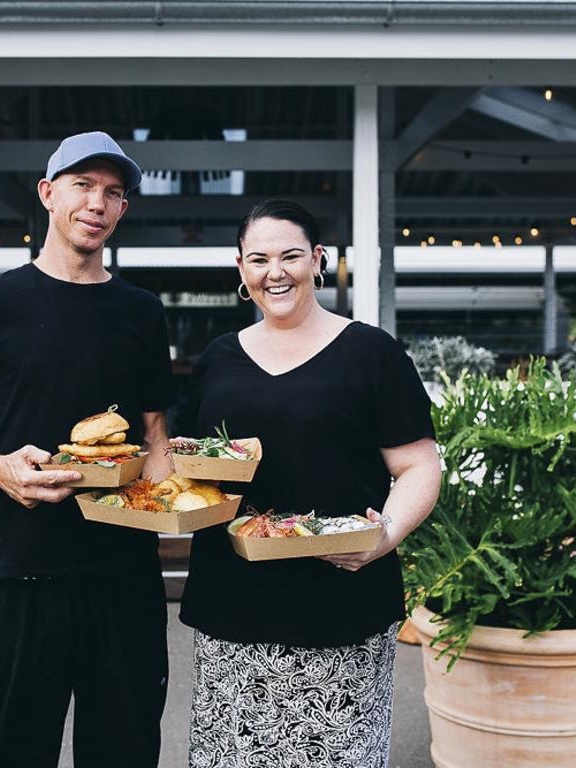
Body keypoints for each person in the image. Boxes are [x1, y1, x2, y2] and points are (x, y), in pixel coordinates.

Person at [0, 131, 175, 768]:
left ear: (122, 211)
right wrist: (1, 471)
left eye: (113, 193)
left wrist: (186, 498)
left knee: (124, 754)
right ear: (48, 193)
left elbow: (155, 441)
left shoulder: (142, 312)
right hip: (16, 571)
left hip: (123, 578)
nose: (97, 203)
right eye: (83, 185)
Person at [178, 199, 441, 768]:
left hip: (341, 603)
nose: (276, 272)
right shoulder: (218, 359)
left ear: (318, 260)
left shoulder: (371, 352)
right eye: (259, 259)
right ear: (241, 271)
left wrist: (386, 535)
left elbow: (420, 466)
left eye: (291, 255)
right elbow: (192, 467)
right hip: (234, 606)